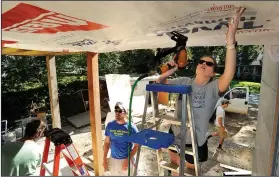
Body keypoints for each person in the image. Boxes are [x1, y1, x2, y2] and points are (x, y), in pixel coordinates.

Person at [156, 7, 246, 175]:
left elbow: (229, 74)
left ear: (213, 73)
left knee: (189, 172)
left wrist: (230, 42)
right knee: (175, 168)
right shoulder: (184, 81)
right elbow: (159, 82)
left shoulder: (213, 88)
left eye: (209, 63)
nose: (203, 63)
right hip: (175, 134)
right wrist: (171, 69)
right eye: (201, 61)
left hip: (195, 140)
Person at [103, 102, 139, 176]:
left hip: (127, 160)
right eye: (116, 110)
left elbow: (136, 146)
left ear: (125, 113)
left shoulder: (132, 128)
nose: (117, 112)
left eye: (120, 111)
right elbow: (106, 143)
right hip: (113, 160)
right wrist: (104, 159)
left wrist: (128, 159)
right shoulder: (110, 125)